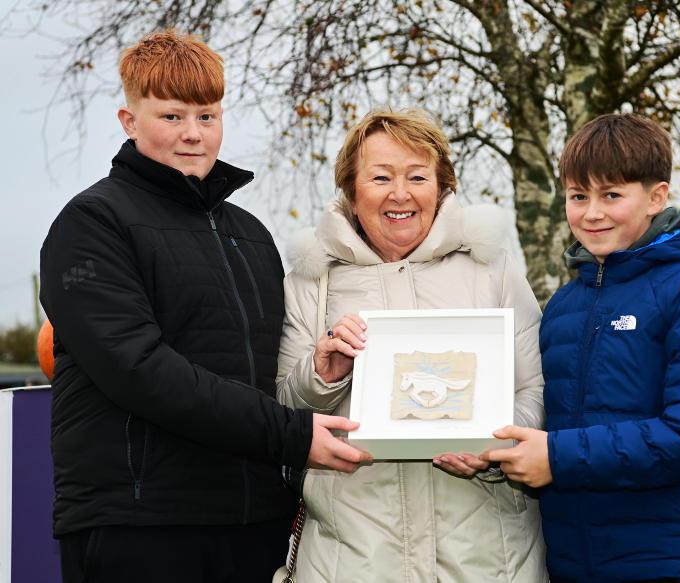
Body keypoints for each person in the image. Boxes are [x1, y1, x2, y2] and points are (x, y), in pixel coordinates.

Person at [39, 30, 369, 583]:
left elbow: (271, 373)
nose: (193, 133)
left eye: (207, 116)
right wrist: (290, 435)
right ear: (129, 121)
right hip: (141, 527)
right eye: (172, 116)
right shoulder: (91, 224)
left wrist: (321, 371)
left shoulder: (252, 235)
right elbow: (138, 369)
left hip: (253, 524)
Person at [276, 108, 548, 582]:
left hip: (486, 561)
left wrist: (492, 448)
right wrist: (322, 374)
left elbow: (536, 390)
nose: (400, 193)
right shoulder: (311, 282)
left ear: (441, 188)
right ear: (351, 190)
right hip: (352, 561)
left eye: (418, 176)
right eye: (380, 177)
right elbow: (282, 413)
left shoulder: (493, 269)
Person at [483, 114, 680, 582]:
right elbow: (546, 426)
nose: (592, 213)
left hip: (675, 563)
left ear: (656, 197)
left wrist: (558, 458)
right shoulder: (563, 306)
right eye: (578, 196)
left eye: (611, 195)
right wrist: (486, 450)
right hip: (573, 565)